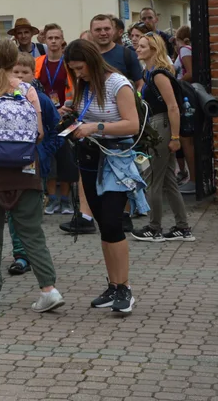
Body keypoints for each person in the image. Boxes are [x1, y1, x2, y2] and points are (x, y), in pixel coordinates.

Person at [0, 42, 64, 313]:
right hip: (26, 170)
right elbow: (40, 133)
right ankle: (48, 289)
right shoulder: (29, 90)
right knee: (31, 232)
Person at [63, 39, 147, 314]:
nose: (78, 74)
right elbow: (85, 115)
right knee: (104, 225)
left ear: (92, 61)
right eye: (73, 70)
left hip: (115, 161)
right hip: (91, 158)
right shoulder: (85, 84)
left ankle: (125, 288)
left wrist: (95, 127)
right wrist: (72, 116)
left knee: (113, 222)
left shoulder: (118, 83)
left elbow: (132, 125)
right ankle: (113, 285)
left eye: (80, 68)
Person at [132, 34, 195, 243]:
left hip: (162, 124)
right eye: (138, 45)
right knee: (167, 179)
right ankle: (182, 227)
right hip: (157, 124)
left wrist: (175, 137)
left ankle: (154, 227)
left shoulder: (159, 74)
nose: (138, 49)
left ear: (153, 49)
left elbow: (173, 106)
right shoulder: (148, 72)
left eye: (142, 46)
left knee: (153, 179)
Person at [8, 54, 62, 274]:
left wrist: (43, 151)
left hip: (35, 164)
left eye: (25, 72)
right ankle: (20, 253)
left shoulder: (42, 99)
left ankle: (32, 252)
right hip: (10, 163)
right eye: (16, 72)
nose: (20, 77)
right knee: (12, 207)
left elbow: (57, 131)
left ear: (34, 73)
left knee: (31, 210)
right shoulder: (4, 97)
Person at [35, 24, 82, 218]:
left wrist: (66, 108)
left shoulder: (69, 62)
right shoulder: (38, 62)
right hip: (45, 116)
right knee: (49, 158)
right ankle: (52, 198)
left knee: (67, 158)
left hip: (67, 116)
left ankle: (65, 199)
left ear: (62, 40)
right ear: (44, 40)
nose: (53, 41)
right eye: (50, 38)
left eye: (57, 38)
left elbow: (77, 87)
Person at [173, 25, 197, 194]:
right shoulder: (188, 49)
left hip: (185, 96)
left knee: (186, 139)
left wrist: (175, 83)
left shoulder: (184, 50)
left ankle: (194, 179)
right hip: (186, 94)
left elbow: (190, 72)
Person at [89, 15, 143, 84]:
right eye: (98, 30)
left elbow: (140, 84)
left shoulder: (128, 54)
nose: (103, 33)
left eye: (107, 29)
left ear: (112, 30)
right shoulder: (86, 55)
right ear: (91, 32)